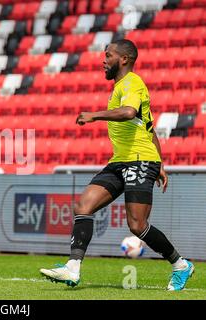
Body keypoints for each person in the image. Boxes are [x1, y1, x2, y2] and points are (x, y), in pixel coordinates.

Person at [40, 39, 194, 291]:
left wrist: (94, 115)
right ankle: (73, 267)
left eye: (108, 55)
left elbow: (129, 112)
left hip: (139, 160)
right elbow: (148, 128)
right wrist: (161, 164)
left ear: (124, 59)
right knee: (84, 204)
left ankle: (180, 265)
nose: (104, 60)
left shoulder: (133, 83)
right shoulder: (120, 86)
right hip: (121, 161)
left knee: (136, 225)